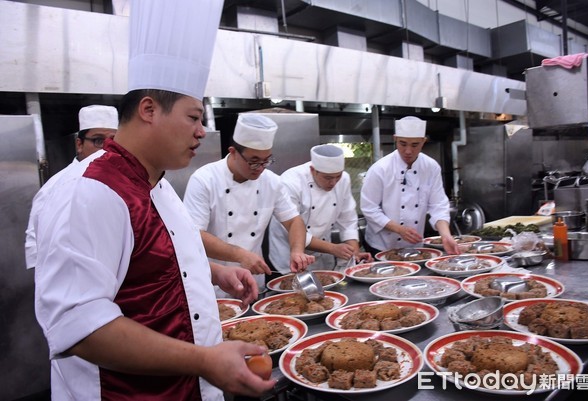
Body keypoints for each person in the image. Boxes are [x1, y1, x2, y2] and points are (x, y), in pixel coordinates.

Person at [33, 1, 274, 400]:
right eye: (194, 117)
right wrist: (204, 360)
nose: (201, 132)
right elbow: (80, 327)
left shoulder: (156, 183)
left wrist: (214, 272)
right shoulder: (90, 190)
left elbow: (153, 260)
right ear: (148, 109)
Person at [183, 113, 315, 295]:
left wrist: (297, 251)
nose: (260, 168)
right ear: (233, 152)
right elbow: (194, 235)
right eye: (253, 162)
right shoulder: (205, 179)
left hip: (254, 282)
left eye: (266, 161)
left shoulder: (272, 182)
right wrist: (240, 254)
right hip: (213, 284)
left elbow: (294, 221)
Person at [24, 105, 118, 269]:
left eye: (114, 140)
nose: (107, 148)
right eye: (98, 141)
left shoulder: (125, 181)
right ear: (79, 144)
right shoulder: (55, 187)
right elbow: (36, 249)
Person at [360, 116, 460, 256]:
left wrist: (445, 235)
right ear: (395, 139)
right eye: (403, 144)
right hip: (382, 246)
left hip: (414, 245)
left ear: (423, 141)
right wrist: (399, 229)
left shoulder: (431, 167)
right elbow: (369, 208)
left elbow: (438, 205)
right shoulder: (380, 169)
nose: (408, 151)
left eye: (414, 145)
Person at [269, 144, 372, 273]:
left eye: (337, 176)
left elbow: (348, 220)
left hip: (324, 255)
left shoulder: (344, 179)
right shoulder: (291, 182)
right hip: (289, 257)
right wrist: (333, 248)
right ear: (313, 170)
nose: (333, 183)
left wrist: (354, 252)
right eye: (328, 178)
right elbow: (291, 229)